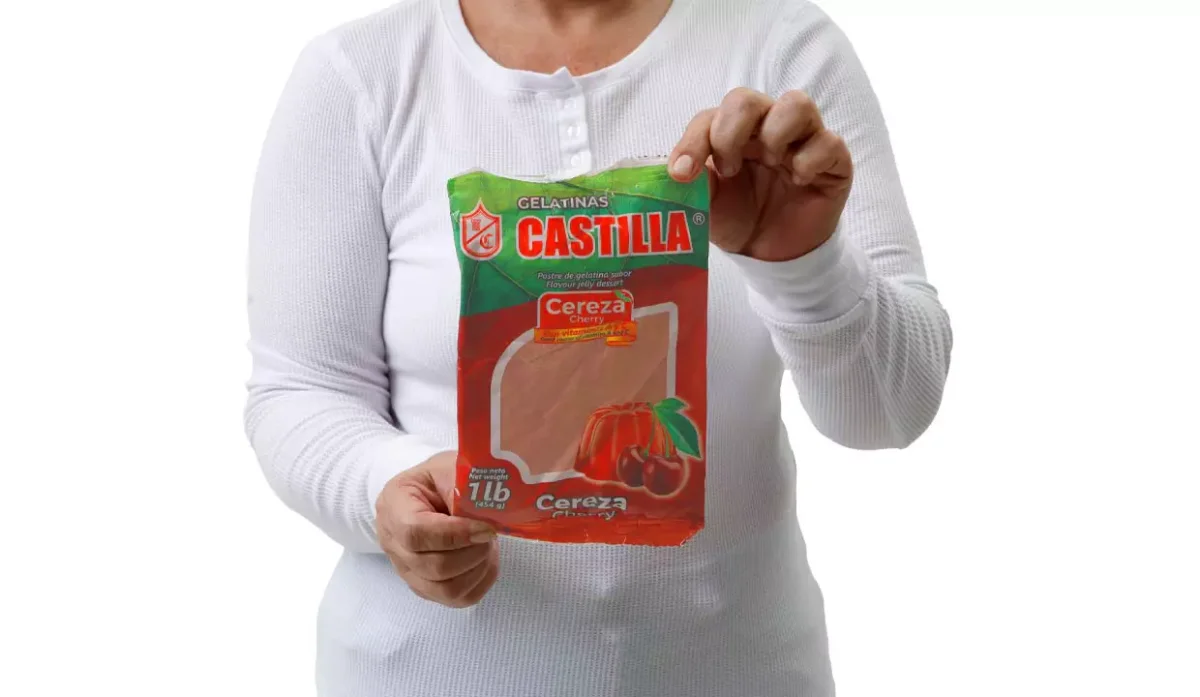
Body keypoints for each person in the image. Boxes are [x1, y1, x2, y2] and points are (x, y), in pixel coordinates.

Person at [244, 0, 953, 694]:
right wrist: (386, 487)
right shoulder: (360, 74)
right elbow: (300, 391)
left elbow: (889, 412)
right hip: (424, 672)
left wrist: (804, 265)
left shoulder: (783, 47)